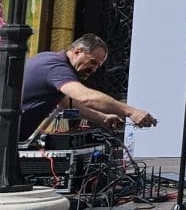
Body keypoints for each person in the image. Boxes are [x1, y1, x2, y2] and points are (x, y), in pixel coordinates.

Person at [19, 33, 157, 141]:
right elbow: (86, 97)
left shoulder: (49, 59)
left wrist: (102, 118)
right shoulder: (57, 68)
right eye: (92, 62)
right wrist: (131, 111)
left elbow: (65, 102)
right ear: (77, 52)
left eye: (97, 66)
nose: (94, 69)